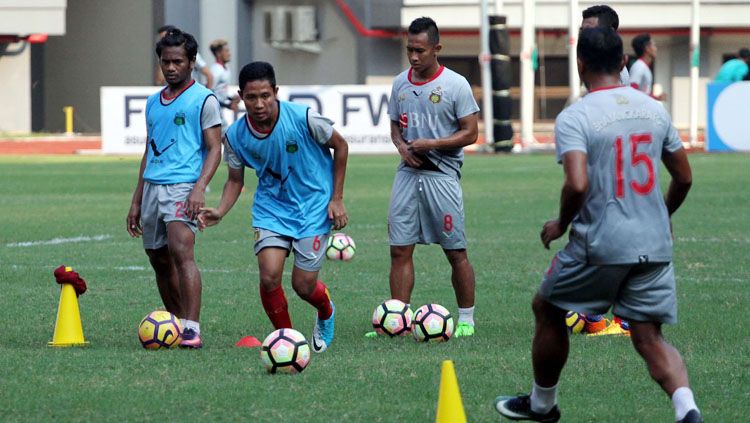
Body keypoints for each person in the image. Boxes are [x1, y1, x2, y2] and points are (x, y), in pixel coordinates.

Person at [494, 27, 700, 423]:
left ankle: (541, 405)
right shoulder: (654, 110)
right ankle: (687, 410)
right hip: (654, 243)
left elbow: (577, 183)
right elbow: (685, 177)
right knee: (648, 335)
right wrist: (662, 215)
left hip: (602, 241)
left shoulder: (577, 116)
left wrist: (560, 223)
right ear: (623, 62)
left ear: (580, 64)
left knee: (547, 307)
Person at [198, 61, 349, 353]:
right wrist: (220, 210)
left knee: (303, 285)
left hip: (313, 206)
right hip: (272, 209)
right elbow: (234, 180)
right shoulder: (236, 136)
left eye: (265, 95)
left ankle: (326, 310)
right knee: (269, 277)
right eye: (251, 97)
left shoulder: (303, 118)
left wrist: (337, 198)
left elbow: (341, 146)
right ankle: (289, 341)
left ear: (276, 92)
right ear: (240, 96)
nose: (259, 103)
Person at [368, 16, 479, 339]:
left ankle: (466, 319)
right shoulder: (400, 82)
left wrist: (433, 143)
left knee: (455, 251)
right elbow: (393, 126)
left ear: (436, 49)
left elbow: (471, 132)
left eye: (420, 50)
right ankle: (398, 319)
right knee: (399, 249)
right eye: (409, 50)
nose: (414, 57)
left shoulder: (456, 85)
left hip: (442, 177)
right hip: (407, 175)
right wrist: (402, 147)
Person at [127, 28, 223, 349]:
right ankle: (174, 323)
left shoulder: (203, 99)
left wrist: (199, 188)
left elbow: (214, 149)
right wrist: (137, 199)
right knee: (158, 258)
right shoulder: (154, 102)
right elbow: (148, 150)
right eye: (166, 61)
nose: (170, 67)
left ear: (192, 62)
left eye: (178, 61)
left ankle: (191, 328)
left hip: (183, 187)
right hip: (153, 187)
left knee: (182, 253)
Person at [581, 5, 629, 85]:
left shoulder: (615, 73)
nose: (584, 35)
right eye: (582, 31)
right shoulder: (589, 65)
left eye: (589, 30)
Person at [154, 25, 213, 89]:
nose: (171, 68)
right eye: (161, 39)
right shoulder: (163, 57)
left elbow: (209, 75)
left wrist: (207, 92)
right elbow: (159, 81)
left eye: (177, 62)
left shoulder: (191, 54)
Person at [209, 39, 240, 132]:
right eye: (226, 51)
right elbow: (210, 93)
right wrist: (228, 105)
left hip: (219, 111)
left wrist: (231, 98)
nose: (229, 53)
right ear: (218, 54)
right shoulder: (216, 70)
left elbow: (219, 92)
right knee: (227, 140)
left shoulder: (226, 69)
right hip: (213, 112)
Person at [630, 33, 667, 101]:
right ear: (647, 48)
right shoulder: (639, 66)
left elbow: (643, 94)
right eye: (654, 45)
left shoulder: (643, 66)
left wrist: (657, 98)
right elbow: (633, 90)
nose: (656, 48)